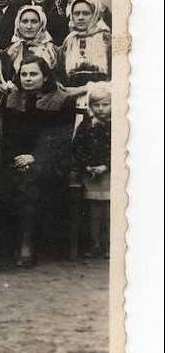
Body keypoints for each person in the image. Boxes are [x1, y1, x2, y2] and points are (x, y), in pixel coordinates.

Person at [0, 55, 75, 267]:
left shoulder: (61, 100)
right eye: (24, 74)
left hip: (50, 160)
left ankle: (27, 244)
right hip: (18, 159)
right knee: (3, 182)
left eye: (34, 74)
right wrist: (17, 157)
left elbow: (60, 138)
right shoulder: (13, 100)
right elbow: (9, 137)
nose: (28, 78)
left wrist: (35, 158)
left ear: (45, 77)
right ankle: (5, 245)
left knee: (31, 184)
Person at [71, 82, 111, 259]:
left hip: (110, 173)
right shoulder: (87, 125)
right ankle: (94, 243)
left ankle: (109, 244)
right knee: (94, 209)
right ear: (90, 106)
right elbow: (78, 147)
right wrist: (87, 165)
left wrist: (106, 166)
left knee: (109, 209)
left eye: (105, 105)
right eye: (96, 105)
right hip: (91, 173)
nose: (101, 109)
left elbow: (119, 149)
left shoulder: (117, 125)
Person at [56, 0, 112, 116]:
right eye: (76, 14)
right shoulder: (69, 41)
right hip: (70, 102)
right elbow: (60, 74)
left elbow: (117, 79)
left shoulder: (107, 40)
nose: (80, 18)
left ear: (95, 15)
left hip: (101, 101)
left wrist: (81, 90)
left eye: (86, 13)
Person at [5, 5, 59, 73]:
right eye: (24, 21)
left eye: (34, 22)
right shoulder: (11, 51)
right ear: (18, 24)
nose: (29, 26)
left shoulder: (53, 51)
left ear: (41, 24)